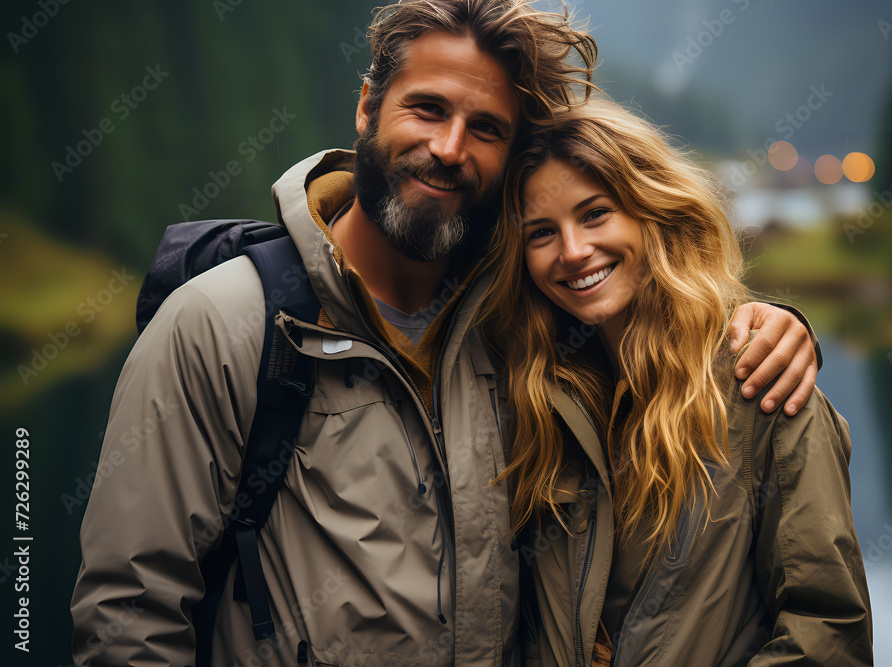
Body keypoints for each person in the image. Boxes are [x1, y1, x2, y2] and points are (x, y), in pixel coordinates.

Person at [70, 2, 822, 665]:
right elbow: (127, 616)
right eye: (427, 108)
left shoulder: (521, 326)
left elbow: (650, 330)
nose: (451, 147)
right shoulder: (221, 323)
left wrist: (776, 327)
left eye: (486, 128)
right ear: (368, 107)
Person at [480, 98, 873, 666]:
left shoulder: (762, 387)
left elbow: (828, 634)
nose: (573, 251)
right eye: (542, 232)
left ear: (651, 209)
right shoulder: (537, 404)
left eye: (595, 214)